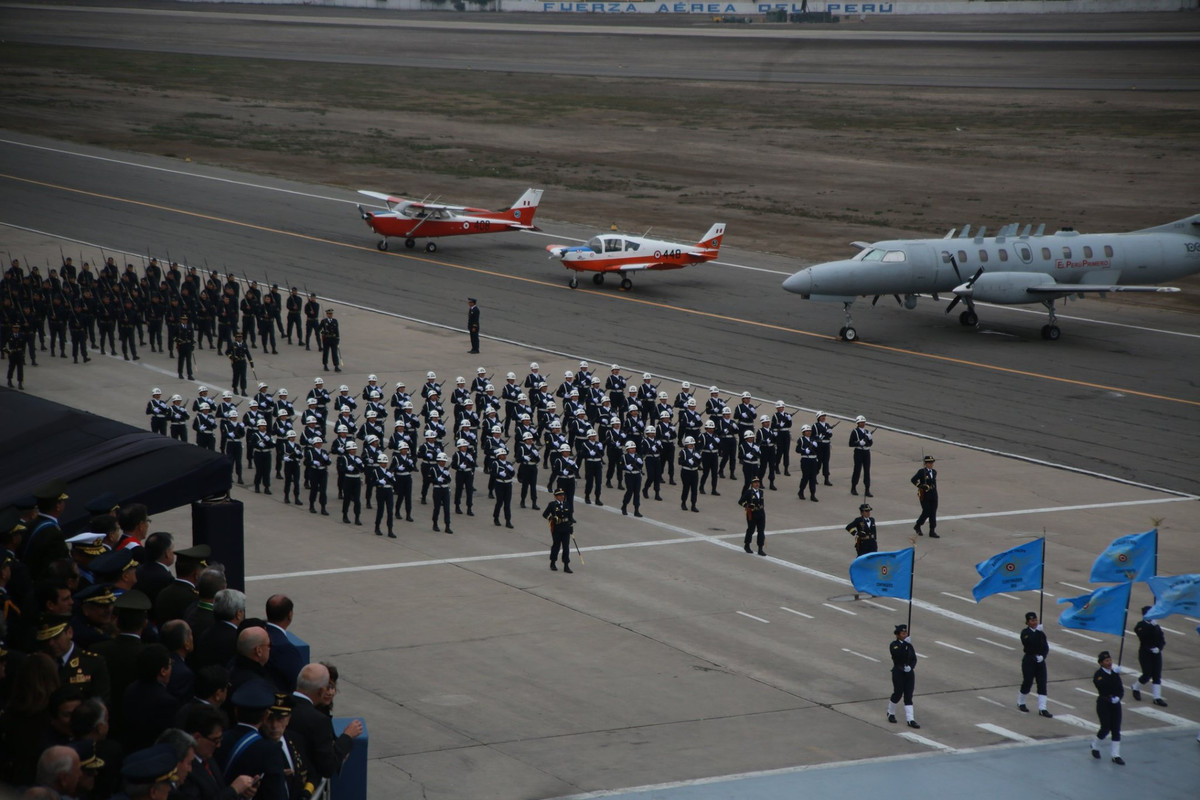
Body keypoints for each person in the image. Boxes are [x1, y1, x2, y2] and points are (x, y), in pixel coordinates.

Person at [1017, 611, 1053, 717]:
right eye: (1032, 620)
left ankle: (1042, 708)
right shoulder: (1025, 633)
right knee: (1028, 682)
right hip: (1029, 660)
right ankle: (1021, 702)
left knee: (1042, 684)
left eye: (1036, 620)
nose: (1035, 622)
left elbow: (1045, 647)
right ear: (1027, 622)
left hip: (1040, 661)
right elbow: (1029, 643)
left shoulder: (1041, 633)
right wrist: (1037, 632)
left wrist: (1043, 656)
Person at [1092, 650, 1125, 765]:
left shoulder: (1114, 674)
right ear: (1101, 663)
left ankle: (1115, 755)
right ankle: (1095, 745)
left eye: (1110, 660)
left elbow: (1120, 689)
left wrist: (1119, 698)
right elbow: (1102, 686)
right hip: (1104, 703)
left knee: (1116, 729)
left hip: (1115, 704)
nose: (1109, 662)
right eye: (1106, 661)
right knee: (1105, 727)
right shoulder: (1099, 675)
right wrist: (1113, 674)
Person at [1131, 605, 1168, 706]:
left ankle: (1157, 697)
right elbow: (1143, 636)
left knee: (1157, 675)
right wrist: (1152, 626)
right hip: (1145, 653)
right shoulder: (1140, 625)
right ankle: (1136, 687)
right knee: (1147, 674)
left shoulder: (1156, 625)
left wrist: (1159, 648)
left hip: (1156, 653)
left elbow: (1162, 639)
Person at [888, 623, 919, 728]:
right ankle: (890, 712)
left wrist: (911, 667)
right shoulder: (894, 645)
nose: (905, 635)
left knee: (908, 695)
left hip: (909, 673)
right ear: (897, 635)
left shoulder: (909, 645)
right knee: (898, 693)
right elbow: (897, 655)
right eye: (903, 633)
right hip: (898, 672)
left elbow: (914, 658)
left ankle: (910, 719)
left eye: (906, 633)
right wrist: (905, 644)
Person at [543, 487, 574, 573]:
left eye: (562, 495)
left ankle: (566, 565)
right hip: (557, 528)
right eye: (560, 495)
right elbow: (545, 514)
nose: (562, 496)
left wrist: (571, 527)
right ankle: (553, 562)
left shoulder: (567, 504)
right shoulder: (552, 505)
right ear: (556, 496)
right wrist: (551, 518)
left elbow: (570, 517)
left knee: (566, 547)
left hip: (566, 528)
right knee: (556, 546)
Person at [911, 455, 939, 538]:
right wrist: (921, 486)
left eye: (932, 463)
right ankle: (918, 525)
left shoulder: (934, 472)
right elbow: (913, 480)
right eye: (929, 463)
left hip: (933, 494)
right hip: (925, 495)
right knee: (926, 511)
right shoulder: (921, 472)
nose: (931, 464)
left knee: (933, 512)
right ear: (925, 464)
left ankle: (932, 530)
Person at [738, 475, 766, 556]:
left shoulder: (761, 492)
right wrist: (747, 506)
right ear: (752, 484)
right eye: (755, 482)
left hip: (761, 513)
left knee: (761, 531)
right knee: (751, 530)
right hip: (752, 513)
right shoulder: (748, 492)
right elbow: (740, 501)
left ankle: (760, 548)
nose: (757, 484)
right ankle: (747, 545)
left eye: (758, 482)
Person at [849, 415, 873, 497]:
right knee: (857, 470)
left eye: (864, 422)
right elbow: (851, 443)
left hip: (866, 452)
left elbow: (870, 443)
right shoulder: (855, 431)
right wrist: (859, 443)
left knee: (867, 471)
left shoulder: (867, 431)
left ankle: (867, 489)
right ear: (858, 423)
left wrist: (869, 439)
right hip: (858, 452)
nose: (863, 424)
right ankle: (853, 488)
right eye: (861, 422)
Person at [430, 452, 453, 534]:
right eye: (442, 461)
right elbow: (429, 479)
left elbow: (449, 480)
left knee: (447, 509)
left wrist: (446, 476)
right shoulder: (433, 469)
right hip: (437, 490)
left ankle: (447, 526)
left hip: (445, 489)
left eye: (444, 461)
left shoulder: (446, 470)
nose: (443, 463)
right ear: (438, 461)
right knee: (437, 508)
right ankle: (435, 523)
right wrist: (437, 480)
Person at [620, 441, 643, 518]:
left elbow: (641, 466)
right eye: (631, 448)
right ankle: (624, 506)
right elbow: (620, 466)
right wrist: (626, 467)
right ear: (627, 449)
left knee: (637, 493)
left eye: (634, 448)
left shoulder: (638, 456)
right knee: (630, 491)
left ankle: (636, 510)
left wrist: (640, 463)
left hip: (637, 475)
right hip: (629, 475)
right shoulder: (624, 457)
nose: (633, 449)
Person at [678, 435, 701, 512]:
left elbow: (699, 462)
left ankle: (693, 505)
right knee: (686, 488)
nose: (692, 445)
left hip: (694, 472)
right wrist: (687, 462)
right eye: (690, 444)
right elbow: (680, 462)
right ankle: (683, 502)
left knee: (694, 489)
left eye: (693, 444)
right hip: (686, 471)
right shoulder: (683, 452)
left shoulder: (696, 452)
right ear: (686, 444)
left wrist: (699, 458)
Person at [227, 331, 253, 397]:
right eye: (238, 337)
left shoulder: (244, 344)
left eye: (241, 337)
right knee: (236, 376)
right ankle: (235, 388)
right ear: (235, 338)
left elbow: (247, 353)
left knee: (243, 376)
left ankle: (243, 390)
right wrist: (231, 357)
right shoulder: (233, 345)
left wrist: (251, 362)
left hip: (243, 362)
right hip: (236, 362)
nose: (240, 338)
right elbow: (227, 352)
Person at [5, 322, 28, 389]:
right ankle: (9, 380)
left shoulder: (21, 335)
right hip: (12, 354)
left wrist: (23, 354)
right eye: (15, 328)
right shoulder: (9, 335)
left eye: (17, 328)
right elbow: (3, 344)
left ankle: (20, 382)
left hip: (19, 354)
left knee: (20, 369)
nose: (16, 329)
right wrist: (7, 351)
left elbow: (23, 346)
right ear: (12, 328)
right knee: (11, 368)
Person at [175, 313, 196, 380]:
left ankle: (189, 374)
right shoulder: (178, 327)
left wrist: (192, 345)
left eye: (186, 319)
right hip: (181, 345)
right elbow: (173, 336)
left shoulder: (189, 327)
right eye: (183, 319)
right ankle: (180, 373)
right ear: (181, 320)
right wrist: (177, 340)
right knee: (181, 360)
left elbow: (192, 337)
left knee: (188, 361)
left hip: (188, 345)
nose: (185, 321)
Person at [319, 308, 340, 372]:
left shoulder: (335, 321)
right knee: (326, 353)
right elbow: (318, 329)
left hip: (333, 339)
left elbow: (336, 330)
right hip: (327, 339)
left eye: (331, 314)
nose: (330, 315)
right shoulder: (324, 321)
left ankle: (336, 366)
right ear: (327, 314)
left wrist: (338, 338)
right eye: (329, 314)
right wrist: (323, 332)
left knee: (334, 353)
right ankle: (325, 365)